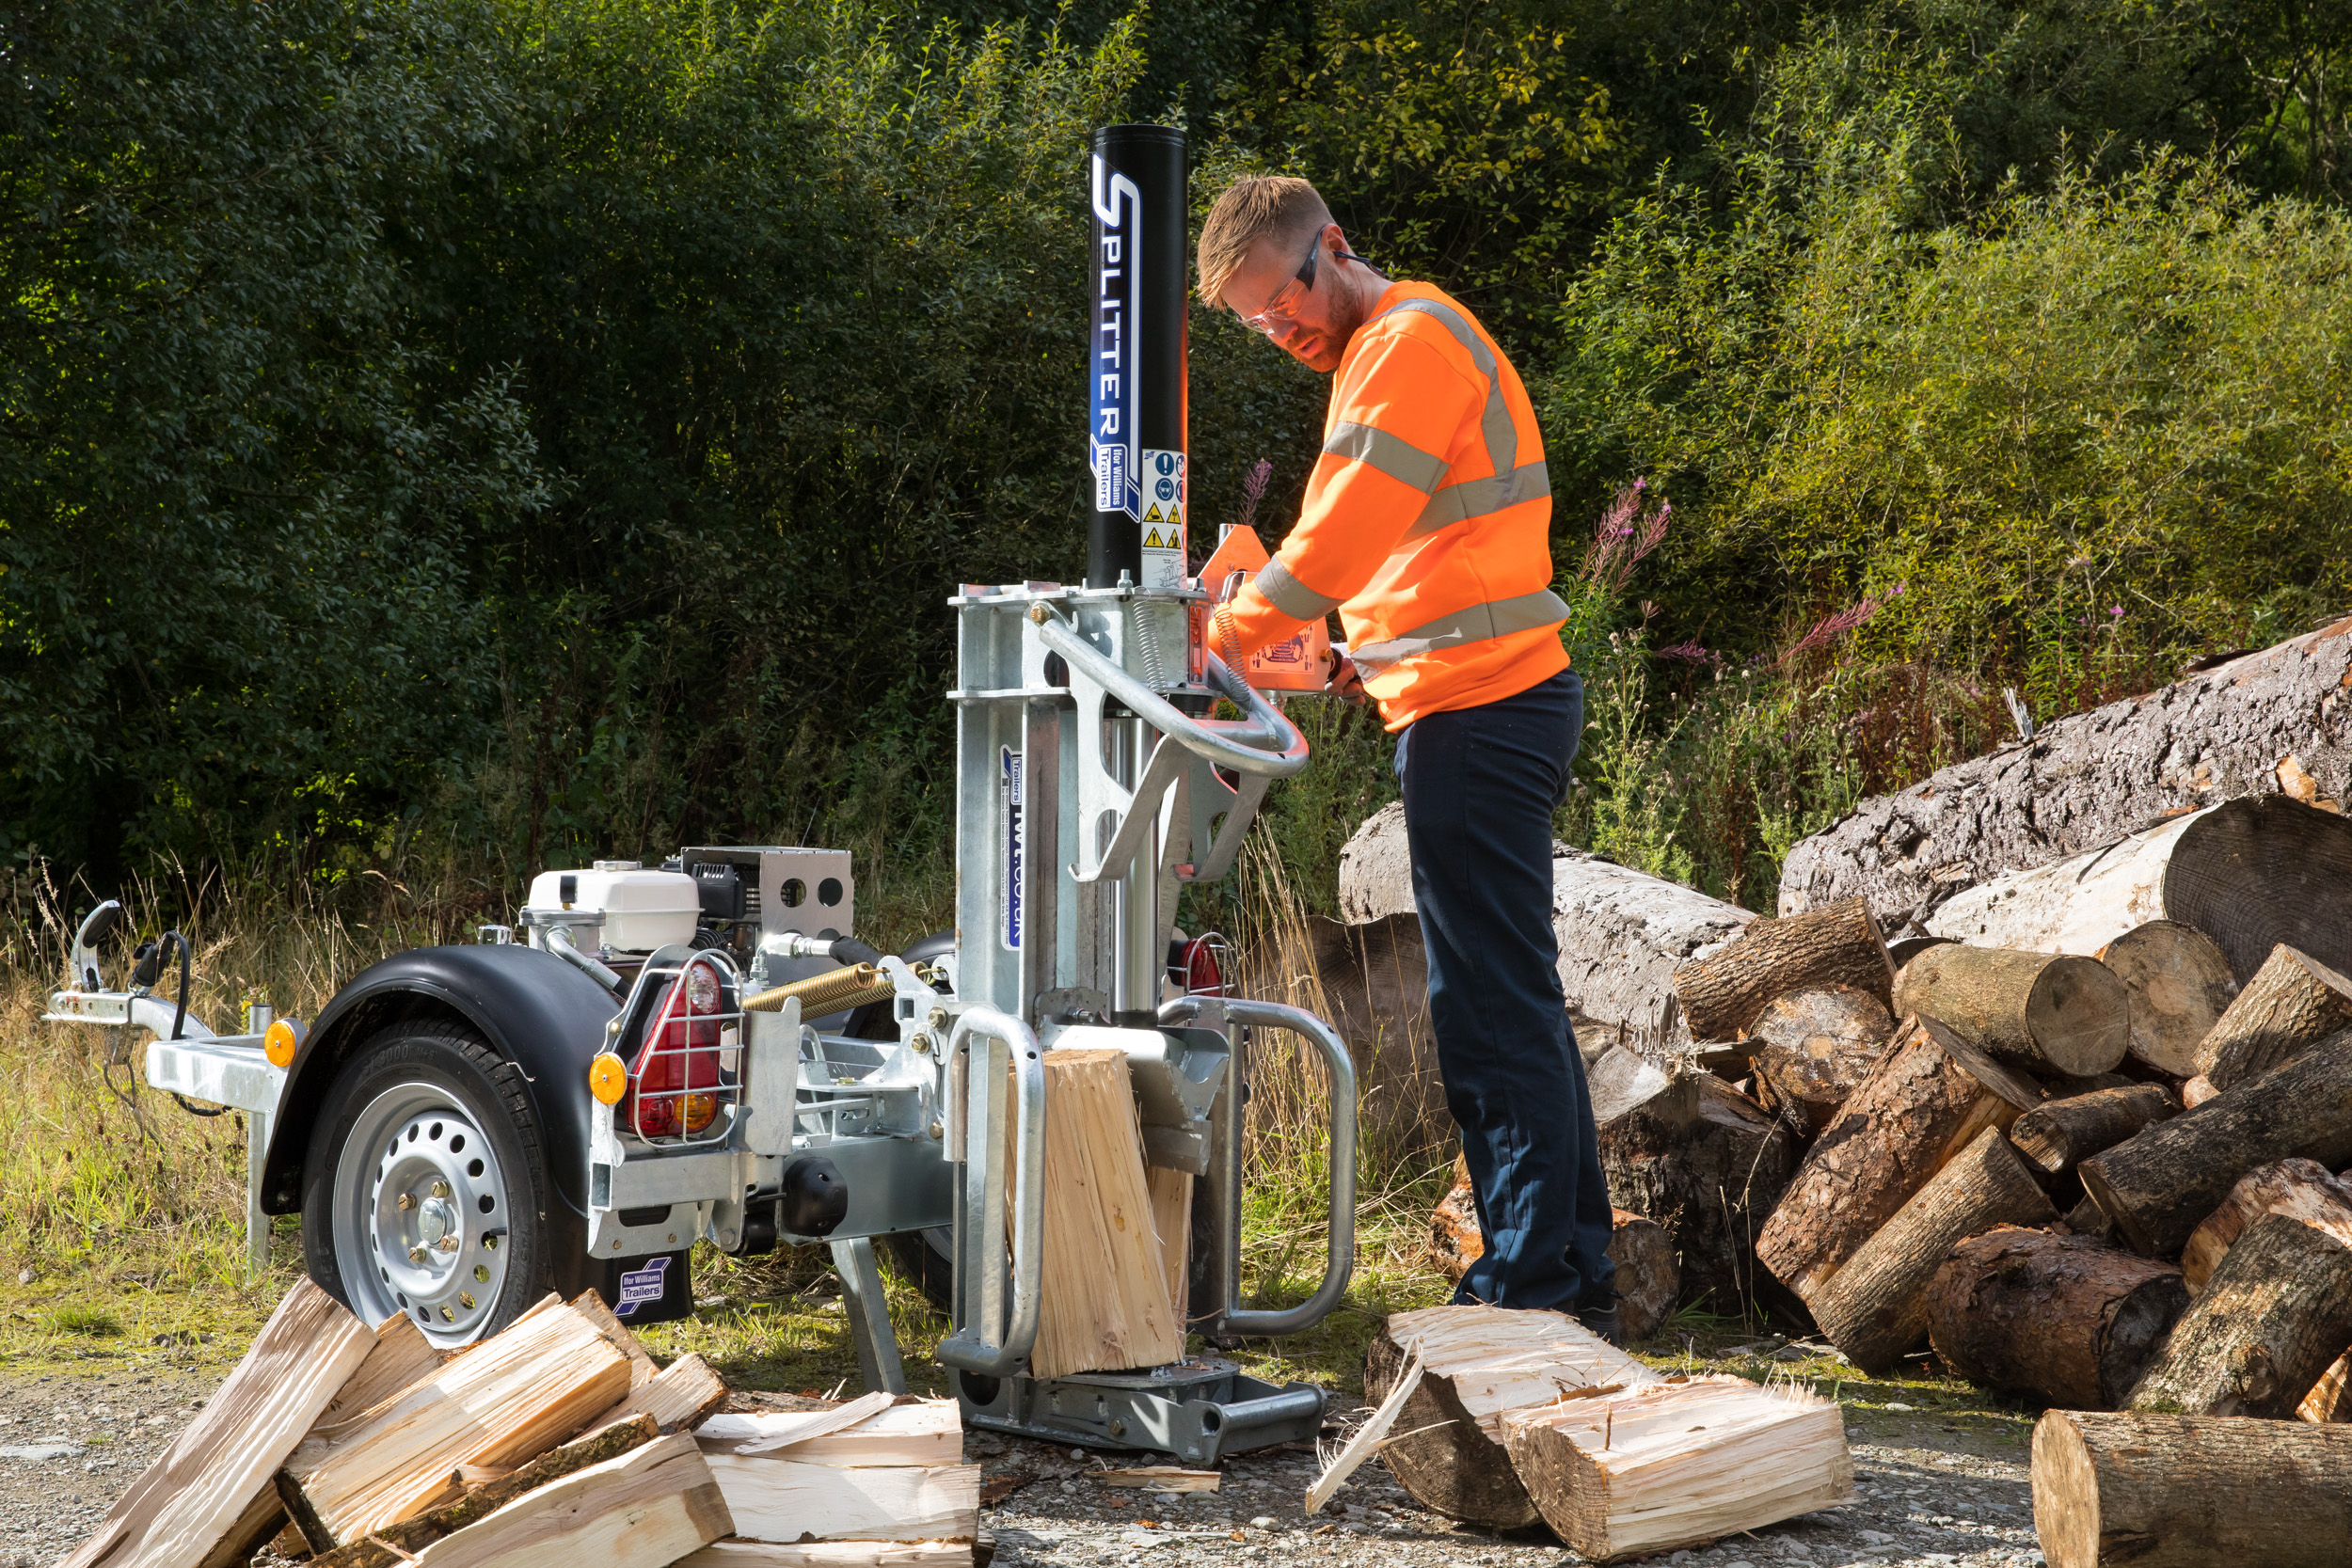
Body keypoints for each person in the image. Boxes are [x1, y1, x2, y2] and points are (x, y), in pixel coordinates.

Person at [1197, 176, 1618, 1337]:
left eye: (1281, 308)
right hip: (1465, 702)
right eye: (1257, 327)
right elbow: (1404, 556)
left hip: (1483, 712)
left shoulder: (1407, 340)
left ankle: (1527, 1284)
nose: (1280, 337)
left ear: (1331, 247)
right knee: (1504, 992)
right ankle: (1570, 1271)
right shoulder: (1378, 354)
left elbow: (1336, 539)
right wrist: (1352, 652)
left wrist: (1215, 629)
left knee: (1486, 1004)